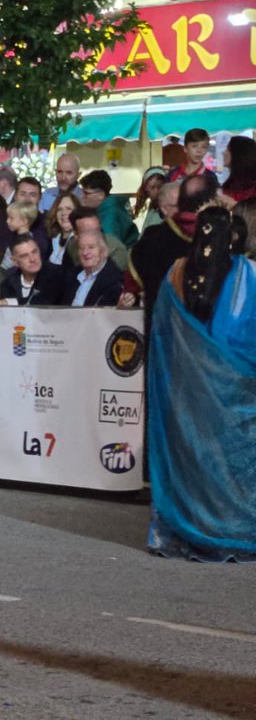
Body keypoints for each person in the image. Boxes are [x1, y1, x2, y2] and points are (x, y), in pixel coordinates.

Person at [147, 206, 256, 561]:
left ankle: (186, 531)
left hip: (185, 385)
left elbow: (162, 331)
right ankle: (226, 531)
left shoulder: (176, 272)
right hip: (235, 387)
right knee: (228, 461)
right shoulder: (248, 274)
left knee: (191, 456)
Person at [122, 174, 217, 327]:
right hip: (204, 336)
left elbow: (132, 284)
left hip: (160, 332)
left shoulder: (151, 238)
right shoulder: (218, 236)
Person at [0, 235, 65, 315]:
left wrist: (6, 302)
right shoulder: (8, 284)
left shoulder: (57, 274)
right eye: (25, 256)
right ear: (15, 261)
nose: (32, 259)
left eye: (34, 252)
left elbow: (43, 304)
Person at [61, 230, 123, 307]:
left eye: (91, 247)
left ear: (104, 251)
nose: (85, 252)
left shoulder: (115, 282)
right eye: (81, 248)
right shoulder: (71, 275)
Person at [80, 169, 139, 248]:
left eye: (86, 193)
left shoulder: (110, 215)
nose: (82, 197)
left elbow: (110, 248)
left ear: (101, 195)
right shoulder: (112, 208)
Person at [62, 207, 129, 273]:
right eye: (88, 232)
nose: (95, 236)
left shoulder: (116, 250)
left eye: (97, 230)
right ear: (76, 235)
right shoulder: (71, 247)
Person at [220, 135, 256, 206]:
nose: (223, 152)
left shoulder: (253, 186)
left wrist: (233, 204)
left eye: (228, 149)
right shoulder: (230, 184)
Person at [46, 192, 79, 267]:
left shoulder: (80, 241)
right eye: (59, 209)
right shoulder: (52, 239)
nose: (63, 213)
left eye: (69, 209)